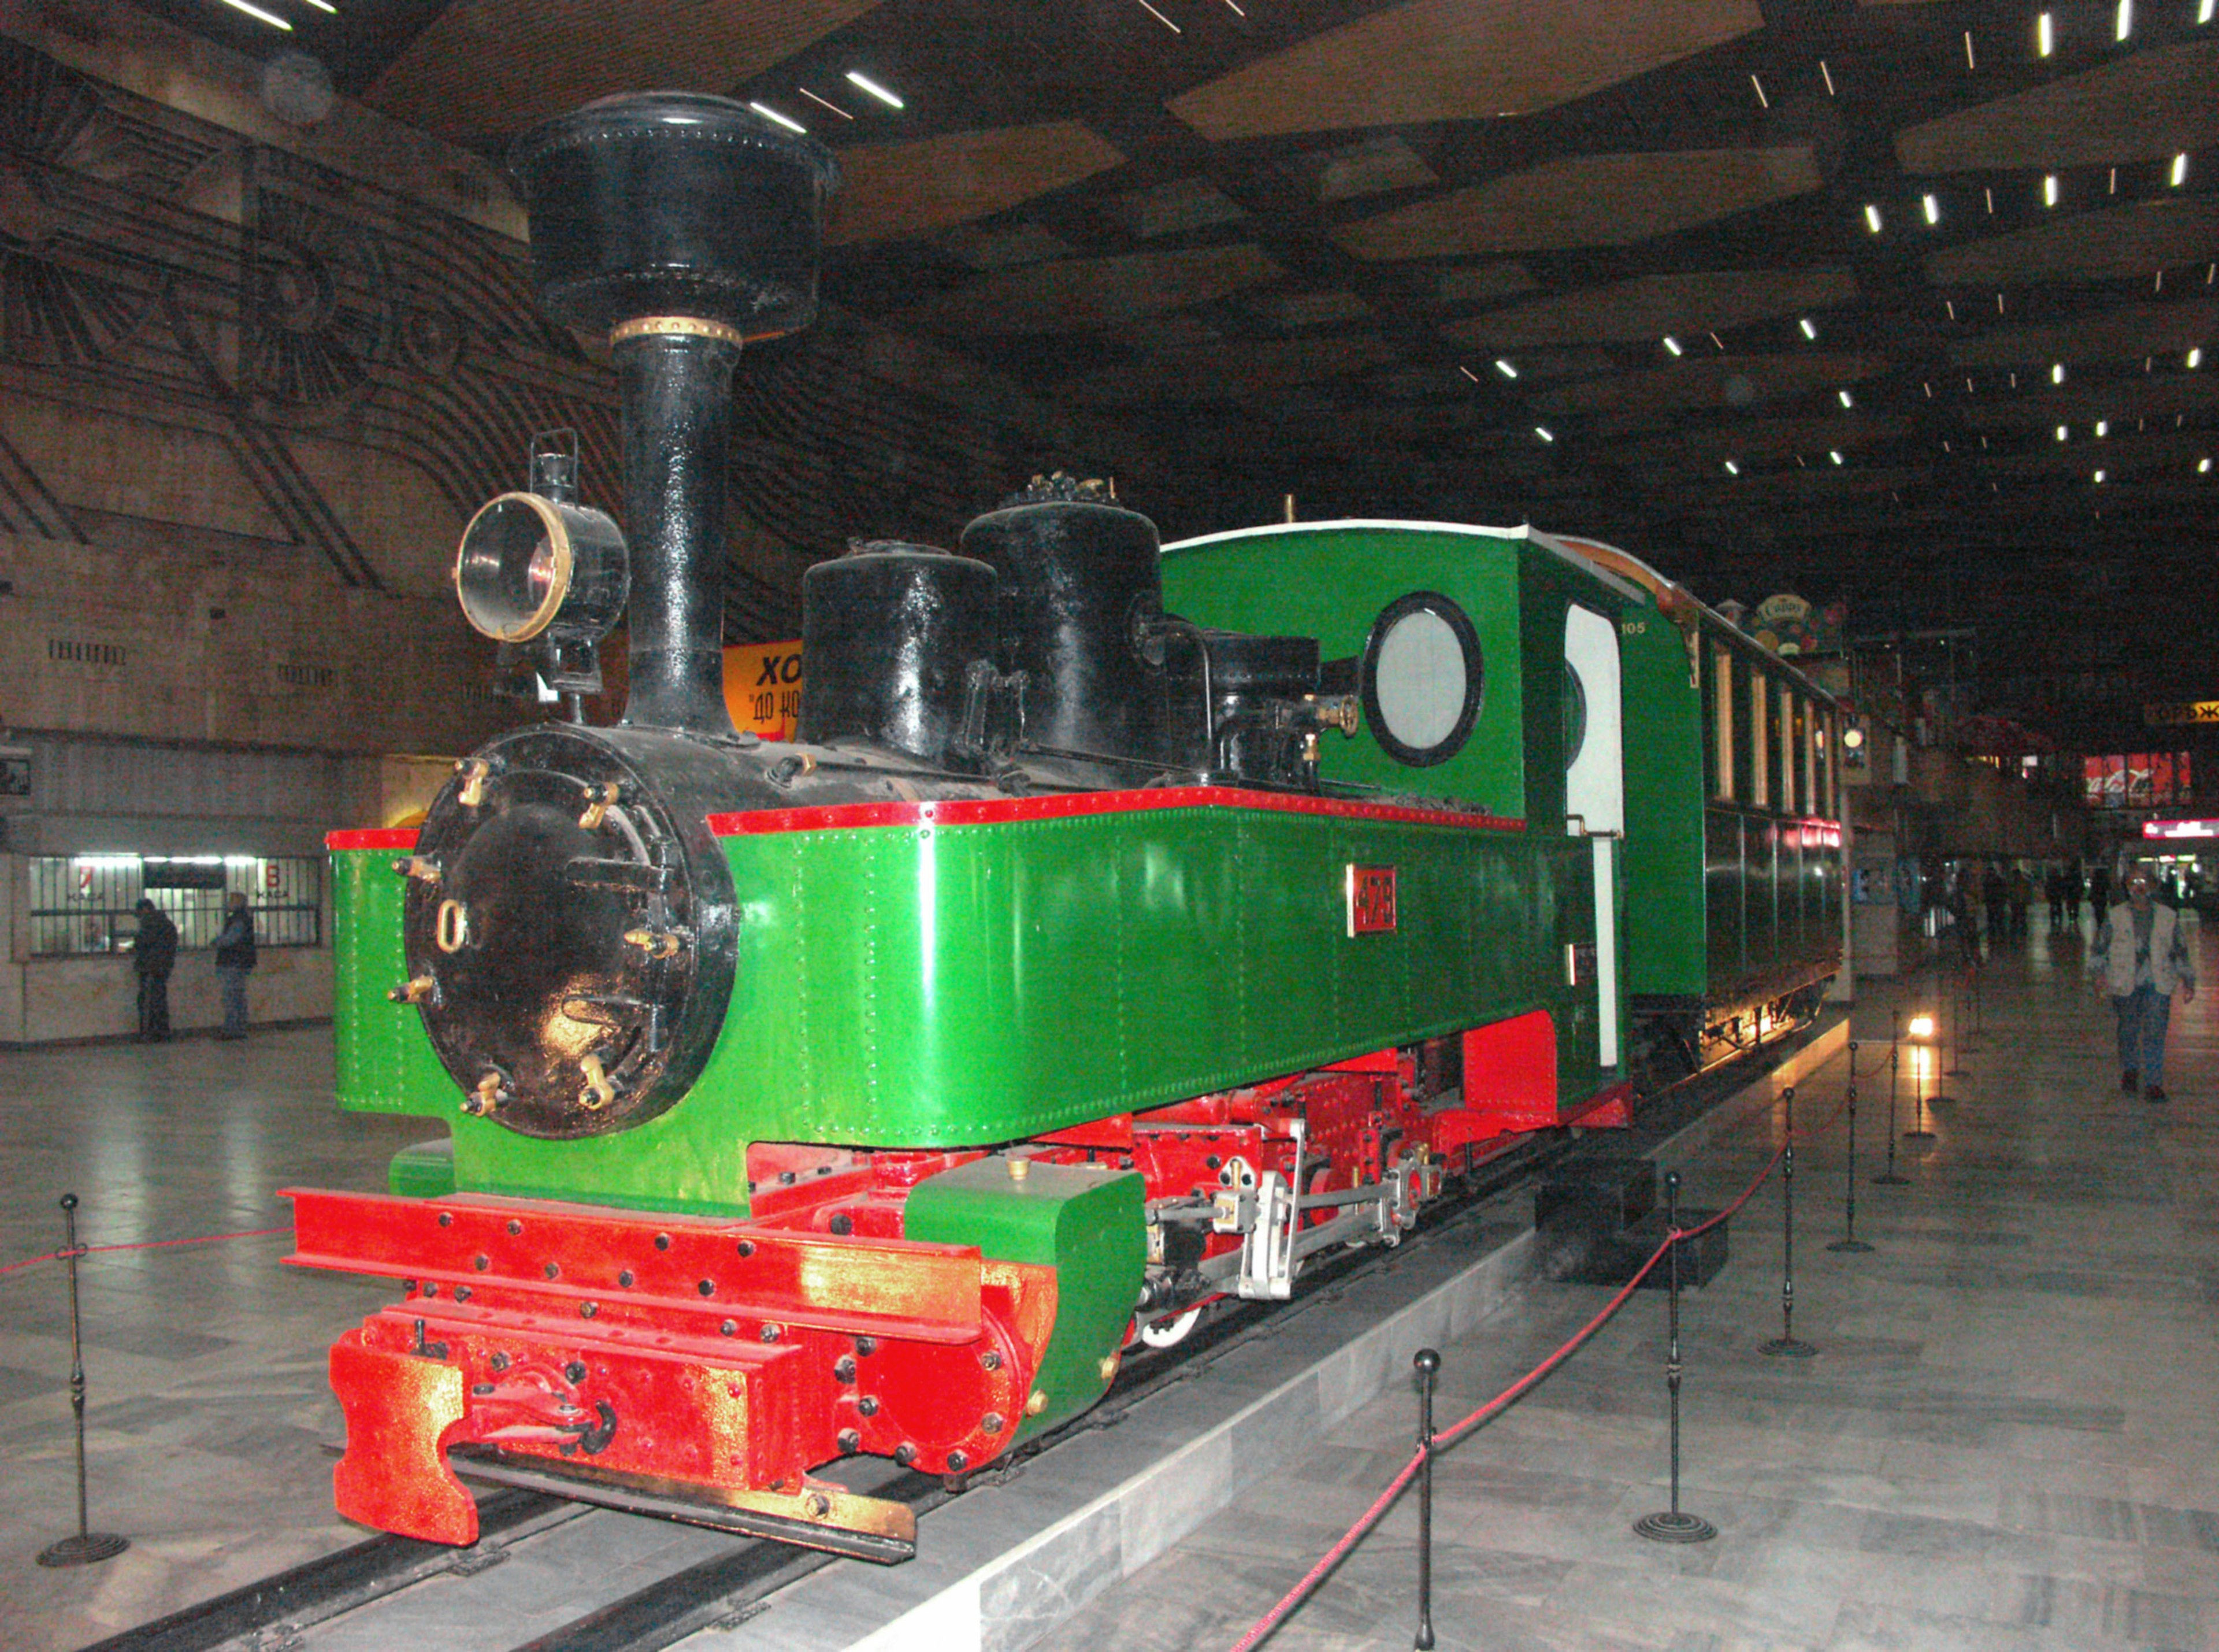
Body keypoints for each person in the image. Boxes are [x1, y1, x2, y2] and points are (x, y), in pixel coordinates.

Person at [2090, 867, 2196, 1103]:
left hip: (2157, 982)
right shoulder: (2115, 916)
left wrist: (2188, 981)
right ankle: (2130, 1069)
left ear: (2153, 885)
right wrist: (2098, 975)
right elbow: (2100, 947)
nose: (2139, 887)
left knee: (2155, 1032)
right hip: (2124, 981)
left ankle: (2154, 1084)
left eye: (2144, 882)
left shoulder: (2168, 916)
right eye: (2133, 882)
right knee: (2128, 1029)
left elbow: (2180, 950)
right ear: (2126, 886)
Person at [131, 897, 178, 1042]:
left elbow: (142, 942)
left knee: (148, 1001)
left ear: (145, 910)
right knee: (160, 1000)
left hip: (150, 967)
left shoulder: (150, 923)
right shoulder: (167, 923)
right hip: (163, 967)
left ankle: (149, 1033)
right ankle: (162, 1032)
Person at [213, 891, 257, 1040]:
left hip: (233, 962)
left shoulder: (238, 920)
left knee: (231, 997)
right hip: (241, 962)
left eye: (231, 901)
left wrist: (216, 941)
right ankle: (239, 1028)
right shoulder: (245, 918)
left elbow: (231, 939)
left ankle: (232, 1030)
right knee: (238, 997)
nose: (228, 903)